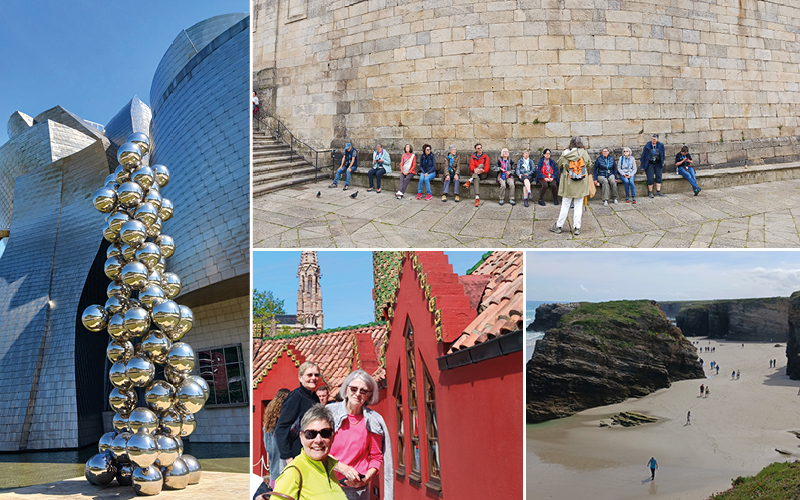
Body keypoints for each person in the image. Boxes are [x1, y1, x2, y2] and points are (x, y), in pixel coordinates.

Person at [328, 370, 393, 500]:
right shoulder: (329, 413)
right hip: (327, 484)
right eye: (354, 389)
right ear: (346, 389)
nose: (357, 394)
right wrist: (342, 467)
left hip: (356, 491)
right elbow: (317, 448)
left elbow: (376, 457)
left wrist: (366, 479)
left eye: (363, 391)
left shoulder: (373, 421)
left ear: (369, 395)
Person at [273, 404, 348, 500]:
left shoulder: (329, 469)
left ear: (332, 436)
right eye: (310, 434)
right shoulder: (293, 473)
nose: (318, 440)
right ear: (301, 437)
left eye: (325, 433)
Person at [275, 362, 322, 462]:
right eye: (309, 375)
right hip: (297, 453)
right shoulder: (295, 396)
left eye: (316, 375)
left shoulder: (315, 398)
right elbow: (281, 427)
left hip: (312, 450)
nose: (313, 378)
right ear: (300, 378)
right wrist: (288, 457)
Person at [552, 136, 593, 236]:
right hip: (581, 182)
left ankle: (558, 226)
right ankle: (577, 228)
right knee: (578, 205)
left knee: (565, 205)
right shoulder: (584, 152)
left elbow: (560, 164)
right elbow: (589, 164)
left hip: (568, 183)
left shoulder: (566, 153)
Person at [263, 388, 291, 488]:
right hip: (285, 470)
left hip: (274, 471)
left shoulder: (268, 425)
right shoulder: (285, 421)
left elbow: (268, 448)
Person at [464, 143, 490, 207]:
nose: (480, 149)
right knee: (476, 178)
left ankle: (470, 180)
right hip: (476, 174)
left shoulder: (485, 157)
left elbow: (487, 166)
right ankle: (477, 198)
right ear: (475, 149)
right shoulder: (473, 157)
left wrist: (483, 170)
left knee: (481, 165)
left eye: (481, 148)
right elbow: (471, 166)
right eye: (478, 148)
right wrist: (475, 169)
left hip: (483, 174)